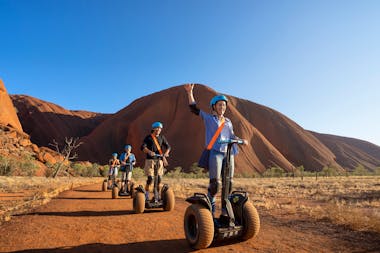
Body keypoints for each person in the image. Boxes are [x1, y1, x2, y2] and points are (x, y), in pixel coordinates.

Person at [184, 83, 248, 219]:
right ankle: (210, 212)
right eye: (220, 105)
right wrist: (190, 92)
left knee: (229, 183)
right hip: (216, 152)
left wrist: (241, 140)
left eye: (224, 105)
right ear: (214, 106)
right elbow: (194, 109)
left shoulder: (228, 122)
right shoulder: (209, 118)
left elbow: (232, 136)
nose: (222, 107)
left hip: (229, 153)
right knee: (215, 184)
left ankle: (225, 212)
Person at [141, 122, 171, 201]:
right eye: (157, 128)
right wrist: (149, 151)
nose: (159, 130)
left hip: (159, 160)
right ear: (153, 128)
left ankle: (156, 195)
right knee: (150, 178)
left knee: (159, 179)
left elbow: (168, 147)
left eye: (160, 128)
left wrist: (166, 153)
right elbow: (143, 147)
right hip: (150, 160)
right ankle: (146, 194)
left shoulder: (162, 137)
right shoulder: (148, 138)